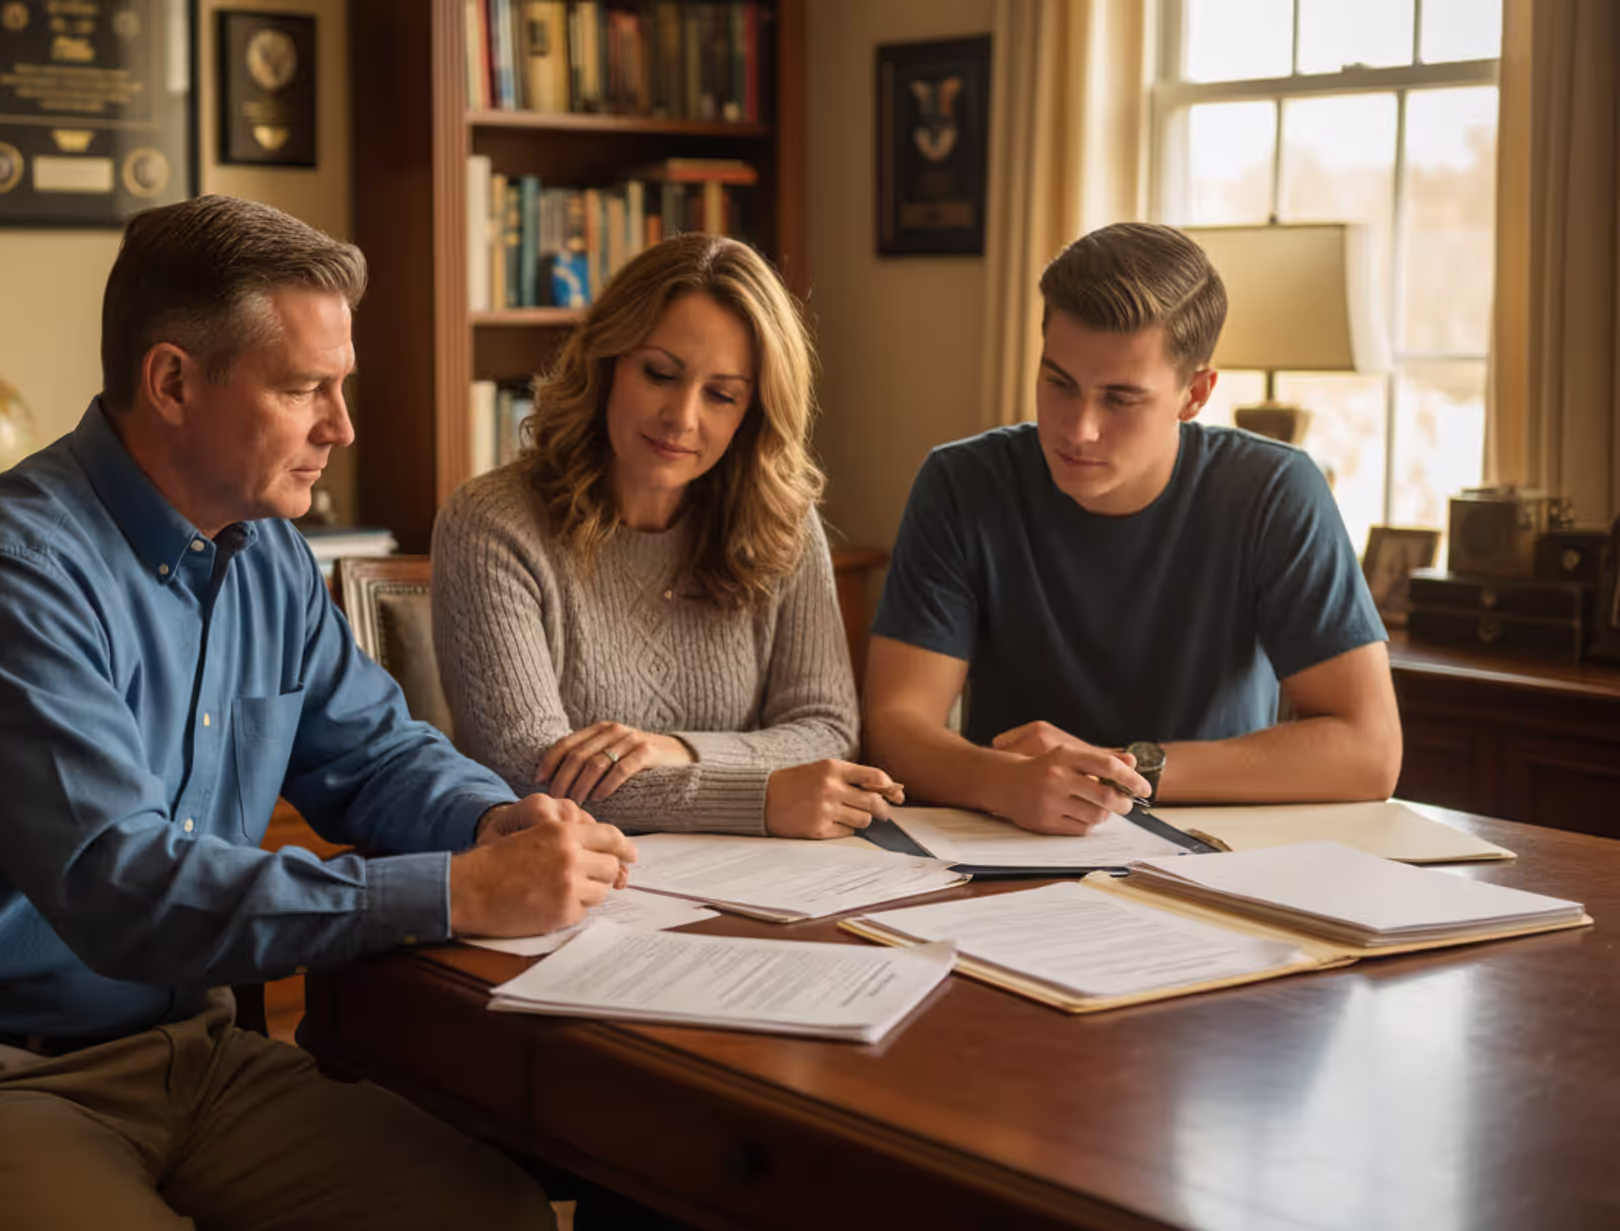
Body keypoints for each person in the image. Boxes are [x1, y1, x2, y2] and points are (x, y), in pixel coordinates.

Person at [0, 195, 636, 1231]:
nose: (342, 425)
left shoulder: (267, 550)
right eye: (304, 389)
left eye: (342, 385)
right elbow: (122, 885)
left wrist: (496, 817)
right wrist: (456, 891)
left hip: (185, 1055)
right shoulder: (8, 578)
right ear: (174, 381)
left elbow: (375, 751)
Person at [864, 221, 1401, 836]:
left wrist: (1126, 769)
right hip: (1012, 839)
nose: (1078, 429)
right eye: (1059, 383)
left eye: (1120, 399)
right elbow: (896, 730)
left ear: (1194, 394)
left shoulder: (1275, 491)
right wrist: (1002, 783)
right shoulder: (962, 483)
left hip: (1217, 851)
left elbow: (1370, 752)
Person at [432, 233, 898, 839]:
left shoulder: (782, 520)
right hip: (563, 888)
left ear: (751, 412)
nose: (682, 417)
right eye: (659, 374)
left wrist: (673, 748)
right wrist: (756, 799)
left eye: (721, 394)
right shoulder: (492, 522)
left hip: (758, 884)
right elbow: (528, 770)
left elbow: (827, 729)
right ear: (606, 364)